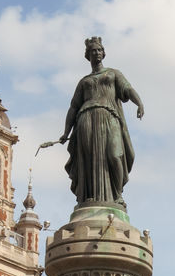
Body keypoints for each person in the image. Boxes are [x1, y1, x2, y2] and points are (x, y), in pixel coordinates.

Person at [59, 36, 144, 206]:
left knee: (114, 155)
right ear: (88, 55)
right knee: (89, 159)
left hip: (109, 116)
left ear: (103, 53)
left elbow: (128, 89)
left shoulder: (113, 74)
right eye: (93, 51)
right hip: (86, 119)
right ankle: (89, 196)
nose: (96, 53)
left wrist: (139, 103)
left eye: (99, 50)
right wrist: (66, 133)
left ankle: (118, 195)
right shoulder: (84, 82)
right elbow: (73, 107)